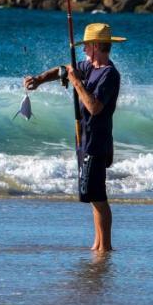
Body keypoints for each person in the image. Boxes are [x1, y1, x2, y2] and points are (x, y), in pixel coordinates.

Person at [23, 22, 125, 252]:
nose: (84, 51)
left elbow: (94, 107)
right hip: (84, 139)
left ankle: (105, 247)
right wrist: (38, 80)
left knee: (98, 196)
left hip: (97, 142)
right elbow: (63, 69)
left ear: (96, 46)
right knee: (91, 194)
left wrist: (76, 82)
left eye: (87, 46)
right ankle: (97, 244)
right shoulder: (88, 67)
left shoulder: (109, 74)